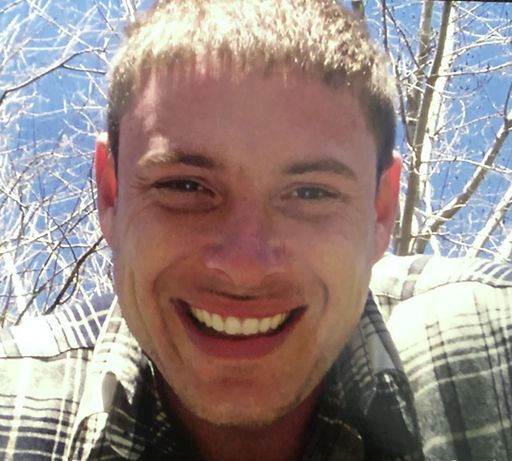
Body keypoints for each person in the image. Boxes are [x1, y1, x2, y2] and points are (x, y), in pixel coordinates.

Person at [1, 1, 511, 460]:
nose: (244, 267)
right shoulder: (13, 408)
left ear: (381, 211)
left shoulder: (495, 347)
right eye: (185, 186)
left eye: (309, 193)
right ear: (111, 196)